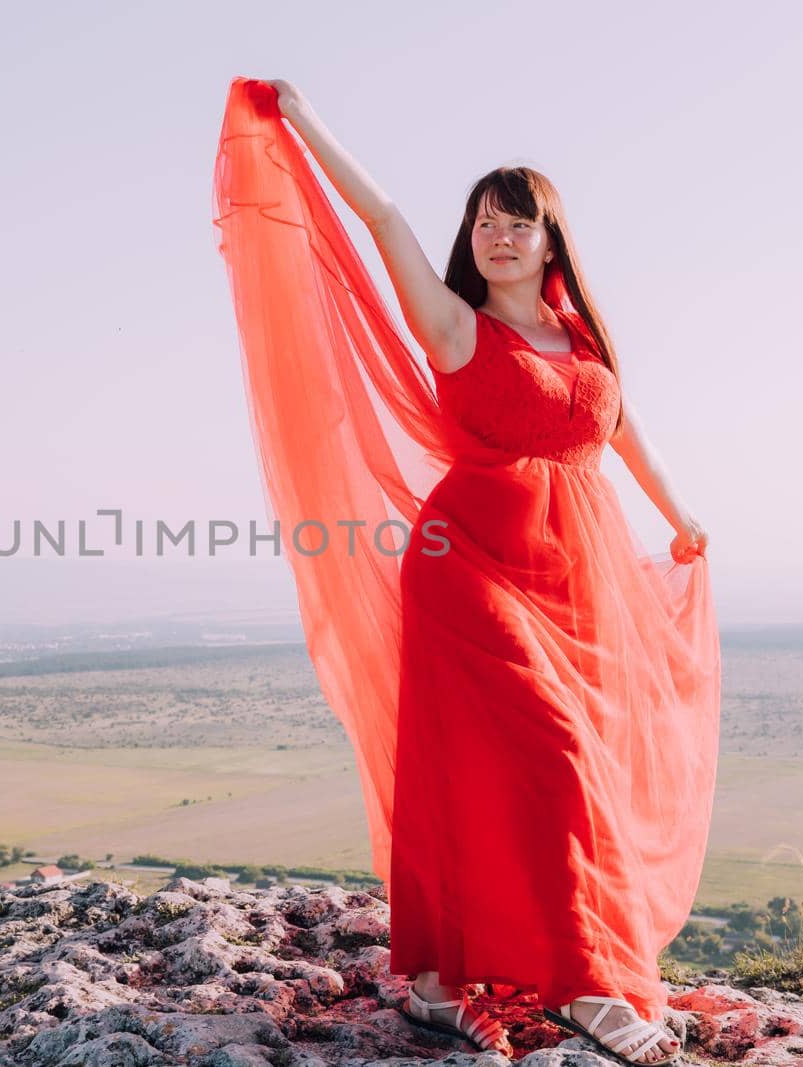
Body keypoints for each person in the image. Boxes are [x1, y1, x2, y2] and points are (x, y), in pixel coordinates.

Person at [211, 76, 719, 1065]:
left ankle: (442, 982)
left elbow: (628, 437)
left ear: (549, 239)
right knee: (560, 758)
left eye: (517, 223)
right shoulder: (456, 327)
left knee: (531, 770)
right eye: (484, 223)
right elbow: (386, 215)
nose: (498, 236)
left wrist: (682, 515)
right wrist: (305, 117)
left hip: (573, 583)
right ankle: (583, 988)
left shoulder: (582, 342)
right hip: (467, 570)